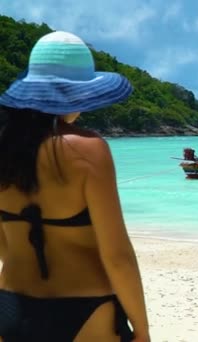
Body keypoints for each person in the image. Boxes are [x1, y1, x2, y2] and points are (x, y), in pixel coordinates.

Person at [0, 31, 149, 341]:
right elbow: (117, 255)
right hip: (85, 309)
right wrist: (143, 330)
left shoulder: (5, 150)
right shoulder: (88, 150)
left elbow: (3, 246)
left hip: (10, 306)